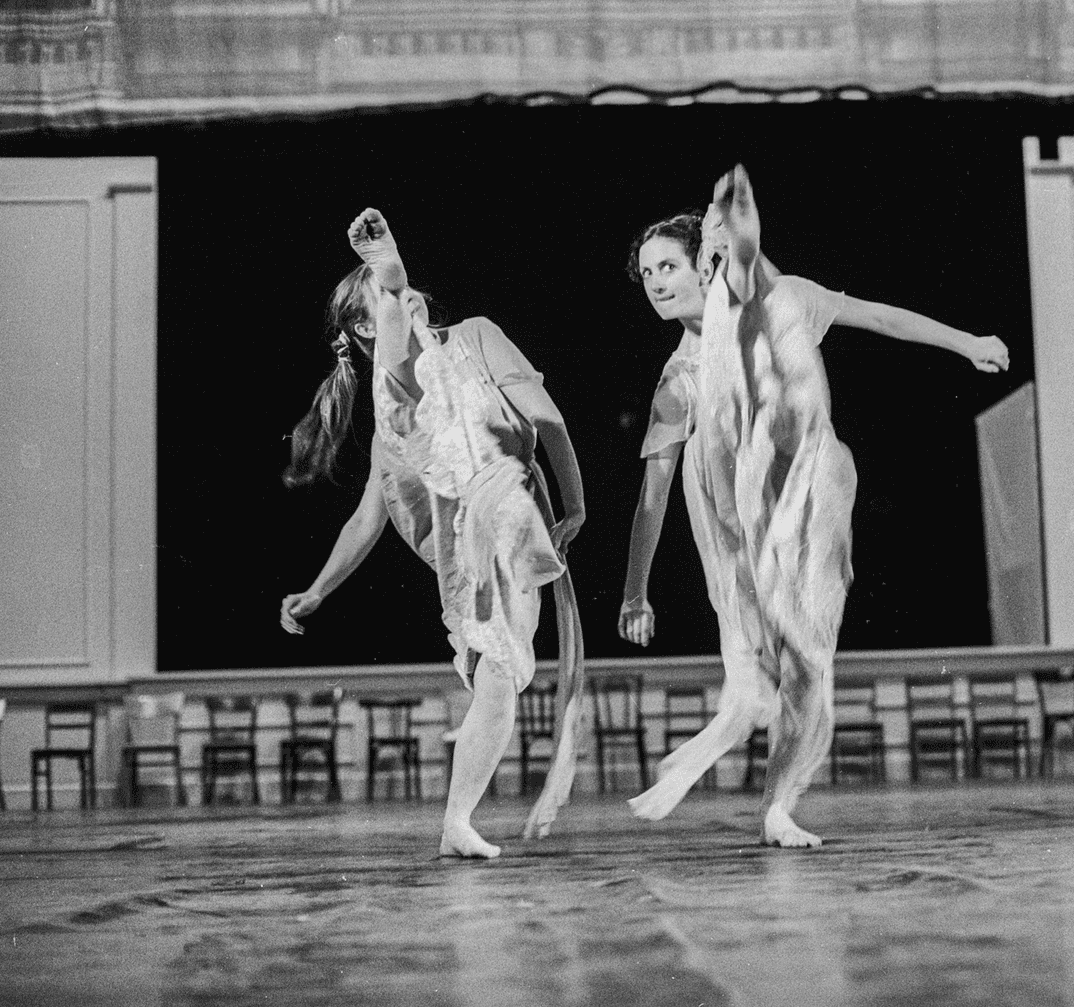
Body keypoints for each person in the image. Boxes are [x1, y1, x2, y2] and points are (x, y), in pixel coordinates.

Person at [620, 168, 1009, 846]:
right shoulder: (680, 376)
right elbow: (654, 492)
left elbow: (881, 317)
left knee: (805, 657)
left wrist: (967, 343)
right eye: (646, 272)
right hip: (740, 535)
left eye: (667, 266)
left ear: (704, 263)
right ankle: (749, 742)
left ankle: (777, 804)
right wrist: (635, 590)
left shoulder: (790, 301)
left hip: (803, 501)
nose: (655, 282)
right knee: (761, 670)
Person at [279, 209, 586, 857]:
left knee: (498, 675)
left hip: (500, 522)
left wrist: (575, 505)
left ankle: (457, 821)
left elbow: (548, 421)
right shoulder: (393, 403)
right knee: (500, 671)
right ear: (365, 326)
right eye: (386, 297)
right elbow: (368, 517)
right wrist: (318, 589)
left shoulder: (473, 337)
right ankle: (457, 823)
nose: (407, 296)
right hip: (473, 543)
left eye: (402, 287)